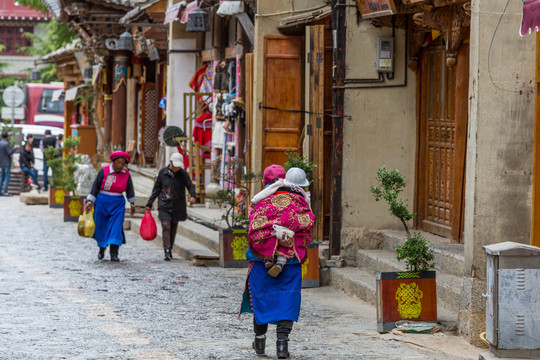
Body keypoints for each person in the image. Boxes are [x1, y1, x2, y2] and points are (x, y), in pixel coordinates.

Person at [240, 166, 315, 359]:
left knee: (261, 301)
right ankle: (282, 345)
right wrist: (290, 241)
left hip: (260, 261)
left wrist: (271, 240)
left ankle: (259, 342)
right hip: (290, 262)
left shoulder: (262, 200)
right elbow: (307, 230)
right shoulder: (302, 202)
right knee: (287, 301)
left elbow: (254, 228)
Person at [84, 151, 136, 262]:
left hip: (118, 203)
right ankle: (102, 249)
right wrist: (90, 201)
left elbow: (130, 189)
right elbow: (95, 187)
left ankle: (114, 254)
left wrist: (132, 203)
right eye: (118, 163)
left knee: (116, 228)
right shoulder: (104, 171)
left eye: (123, 164)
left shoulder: (126, 174)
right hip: (102, 202)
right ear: (113, 162)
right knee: (101, 227)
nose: (120, 166)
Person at [145, 153, 197, 261]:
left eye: (179, 165)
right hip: (164, 204)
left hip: (177, 205)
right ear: (171, 162)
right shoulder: (162, 173)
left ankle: (170, 247)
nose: (177, 167)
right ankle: (167, 250)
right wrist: (149, 203)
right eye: (175, 165)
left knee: (173, 227)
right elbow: (156, 189)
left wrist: (193, 196)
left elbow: (190, 185)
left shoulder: (183, 174)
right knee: (166, 225)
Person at [0, 132, 18, 196]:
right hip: (6, 163)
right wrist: (15, 148)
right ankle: (5, 192)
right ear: (7, 137)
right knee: (7, 177)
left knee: (1, 177)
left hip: (1, 163)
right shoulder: (6, 144)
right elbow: (10, 152)